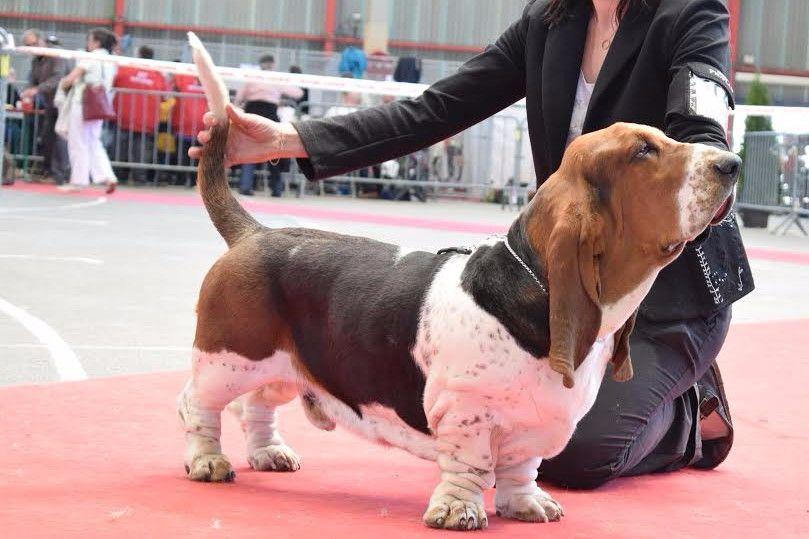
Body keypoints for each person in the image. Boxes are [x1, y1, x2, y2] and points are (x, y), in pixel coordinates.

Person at [191, 0, 753, 489]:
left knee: (577, 454)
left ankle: (689, 411)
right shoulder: (549, 20)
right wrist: (288, 140)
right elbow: (438, 109)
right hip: (568, 277)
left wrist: (704, 182)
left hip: (673, 294)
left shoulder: (689, 13)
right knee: (514, 434)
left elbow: (703, 133)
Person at [58, 27, 118, 193]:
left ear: (96, 42)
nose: (87, 43)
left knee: (77, 142)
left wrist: (63, 84)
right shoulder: (111, 60)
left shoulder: (90, 57)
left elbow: (72, 78)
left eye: (89, 40)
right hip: (100, 105)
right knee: (93, 141)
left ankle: (78, 181)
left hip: (83, 104)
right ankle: (108, 176)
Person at [234, 54, 303, 196]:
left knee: (250, 151)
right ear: (273, 64)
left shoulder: (252, 78)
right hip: (270, 115)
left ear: (260, 64)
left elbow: (239, 98)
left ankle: (245, 186)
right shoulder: (276, 79)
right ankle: (276, 189)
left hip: (251, 114)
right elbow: (298, 93)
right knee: (274, 151)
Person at [20, 29, 71, 184]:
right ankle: (50, 172)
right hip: (51, 103)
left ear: (42, 41)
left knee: (60, 138)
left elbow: (58, 78)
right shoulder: (37, 60)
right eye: (29, 46)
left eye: (34, 44)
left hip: (65, 102)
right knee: (47, 137)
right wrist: (27, 90)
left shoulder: (56, 54)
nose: (32, 48)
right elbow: (33, 79)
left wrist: (36, 89)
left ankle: (63, 174)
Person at [112, 45, 167, 183]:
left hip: (124, 117)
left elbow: (114, 83)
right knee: (141, 151)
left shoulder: (126, 68)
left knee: (120, 148)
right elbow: (165, 96)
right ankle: (139, 178)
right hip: (146, 120)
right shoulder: (157, 74)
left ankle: (120, 176)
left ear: (138, 54)